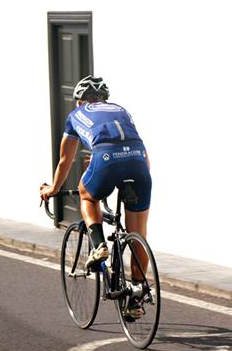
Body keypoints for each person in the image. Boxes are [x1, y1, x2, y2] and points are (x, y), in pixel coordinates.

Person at [40, 75, 152, 287]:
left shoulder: (76, 114)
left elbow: (66, 160)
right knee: (138, 235)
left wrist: (53, 188)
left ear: (80, 101)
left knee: (87, 195)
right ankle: (137, 295)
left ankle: (99, 245)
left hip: (106, 159)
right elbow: (145, 160)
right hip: (138, 162)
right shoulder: (122, 111)